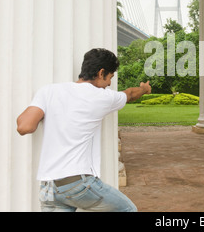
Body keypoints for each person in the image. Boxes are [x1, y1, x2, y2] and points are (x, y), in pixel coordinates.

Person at [16, 48, 151, 212]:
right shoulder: (102, 97)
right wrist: (144, 88)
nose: (109, 84)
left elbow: (24, 127)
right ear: (101, 73)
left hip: (49, 188)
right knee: (128, 209)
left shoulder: (48, 91)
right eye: (110, 78)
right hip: (78, 184)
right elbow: (130, 94)